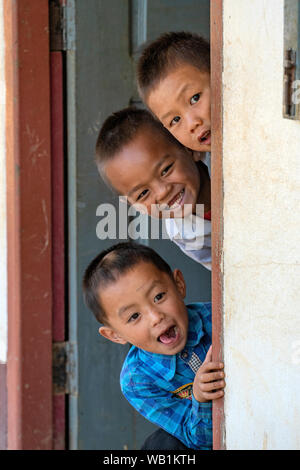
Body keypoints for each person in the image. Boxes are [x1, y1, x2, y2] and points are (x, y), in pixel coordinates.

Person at [82, 242, 225, 450]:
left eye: (158, 297)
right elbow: (198, 441)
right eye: (134, 316)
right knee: (161, 446)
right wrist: (200, 398)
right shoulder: (137, 380)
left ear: (179, 285)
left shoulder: (220, 318)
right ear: (115, 335)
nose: (156, 317)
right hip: (201, 441)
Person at [95, 107, 212, 270]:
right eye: (143, 194)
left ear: (188, 148)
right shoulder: (182, 234)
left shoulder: (224, 163)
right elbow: (226, 273)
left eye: (166, 170)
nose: (163, 192)